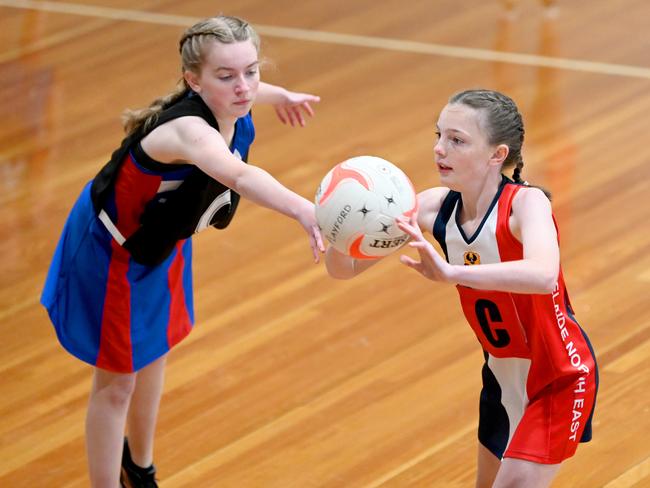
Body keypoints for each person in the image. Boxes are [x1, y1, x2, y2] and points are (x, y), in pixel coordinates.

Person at [41, 15, 324, 488]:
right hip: (112, 252)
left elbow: (251, 92)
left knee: (156, 351)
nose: (244, 87)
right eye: (226, 76)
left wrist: (281, 96)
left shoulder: (235, 99)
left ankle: (140, 467)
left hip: (162, 241)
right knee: (117, 384)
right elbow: (239, 177)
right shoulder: (189, 132)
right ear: (193, 80)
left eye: (252, 71)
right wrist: (303, 209)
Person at [326, 89, 597, 488]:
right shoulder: (434, 208)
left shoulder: (527, 204)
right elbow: (346, 269)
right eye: (438, 136)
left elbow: (542, 274)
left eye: (457, 140)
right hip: (501, 379)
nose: (439, 150)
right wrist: (338, 224)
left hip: (558, 377)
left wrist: (452, 274)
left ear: (497, 154)